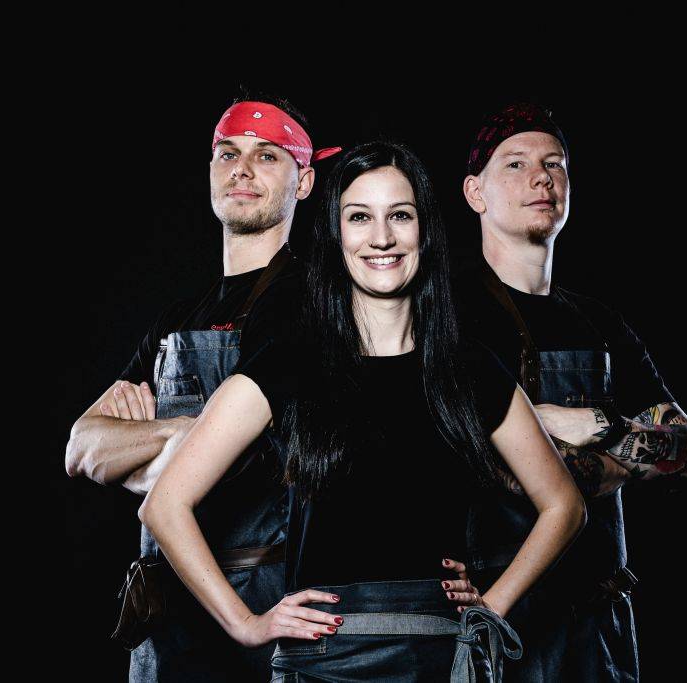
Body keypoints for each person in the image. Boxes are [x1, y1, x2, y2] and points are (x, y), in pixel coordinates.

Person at [138, 141, 587, 682]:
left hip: (441, 661)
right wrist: (246, 623)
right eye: (359, 217)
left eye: (400, 215)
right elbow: (165, 505)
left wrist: (492, 604)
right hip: (324, 662)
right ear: (336, 236)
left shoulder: (469, 368)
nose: (381, 237)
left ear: (424, 231)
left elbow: (565, 506)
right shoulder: (290, 364)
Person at [64, 91, 338, 681]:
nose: (242, 169)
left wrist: (140, 453)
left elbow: (251, 470)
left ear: (305, 181)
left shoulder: (310, 304)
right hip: (164, 619)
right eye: (228, 153)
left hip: (263, 600)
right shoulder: (178, 317)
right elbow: (80, 448)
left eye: (268, 155)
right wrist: (181, 433)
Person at [456, 102, 687, 681]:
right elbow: (472, 464)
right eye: (516, 163)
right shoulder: (451, 317)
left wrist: (594, 424)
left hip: (599, 630)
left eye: (554, 164)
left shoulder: (598, 324)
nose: (541, 178)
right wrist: (626, 462)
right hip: (500, 621)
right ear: (475, 193)